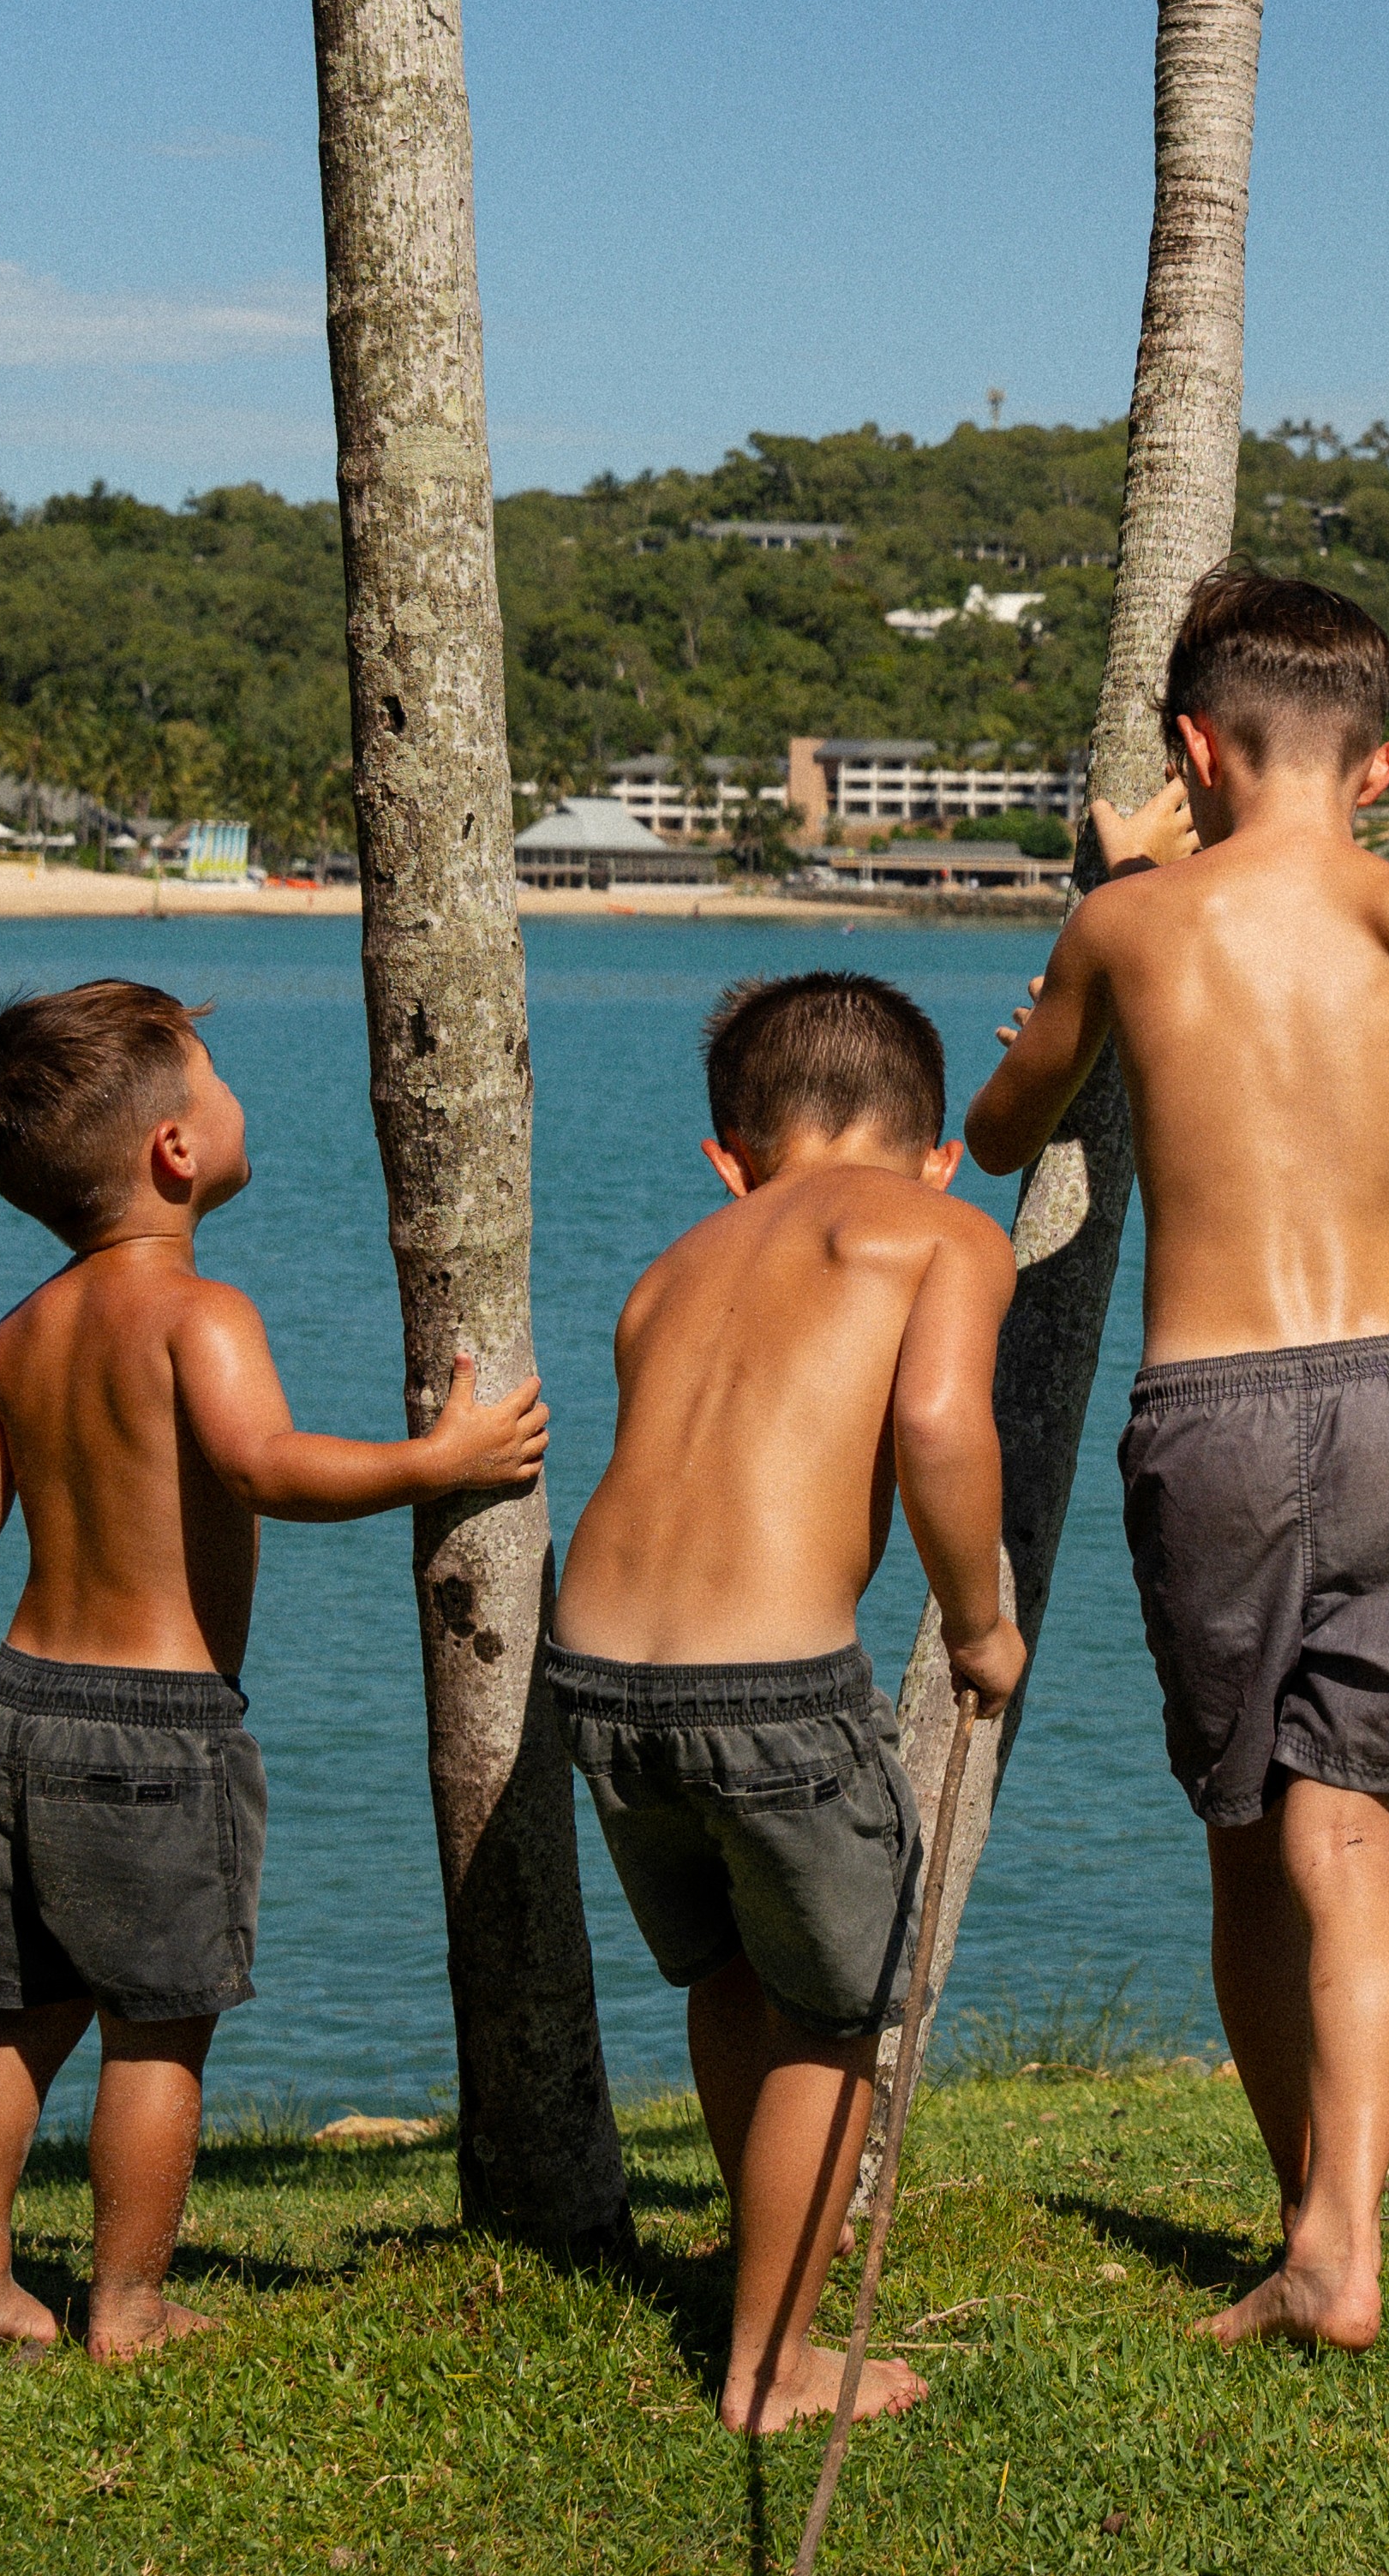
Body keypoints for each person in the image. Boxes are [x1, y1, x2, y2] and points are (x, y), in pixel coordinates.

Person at [0, 978, 548, 2363]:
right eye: (218, 1083)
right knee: (159, 2030)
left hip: (17, 1710)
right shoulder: (201, 1313)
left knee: (18, 2011)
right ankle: (129, 2300)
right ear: (176, 1149)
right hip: (156, 1732)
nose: (236, 1104)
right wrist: (435, 1463)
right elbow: (262, 1466)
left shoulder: (21, 1336)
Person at [965, 565, 1389, 2354]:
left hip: (1220, 1408)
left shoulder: (1134, 926)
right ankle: (1341, 2230)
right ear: (1384, 763)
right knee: (1362, 1842)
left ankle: (1310, 2232)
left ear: (1192, 748)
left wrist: (1112, 882)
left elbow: (998, 1127)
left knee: (1249, 1831)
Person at [549, 974, 1026, 2435]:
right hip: (774, 1688)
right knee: (837, 2022)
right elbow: (940, 1425)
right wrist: (979, 1618)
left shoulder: (669, 1268)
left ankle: (763, 2274)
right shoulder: (947, 1229)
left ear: (730, 1156)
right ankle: (771, 2363)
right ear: (938, 1151)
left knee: (726, 1978)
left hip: (601, 1676)